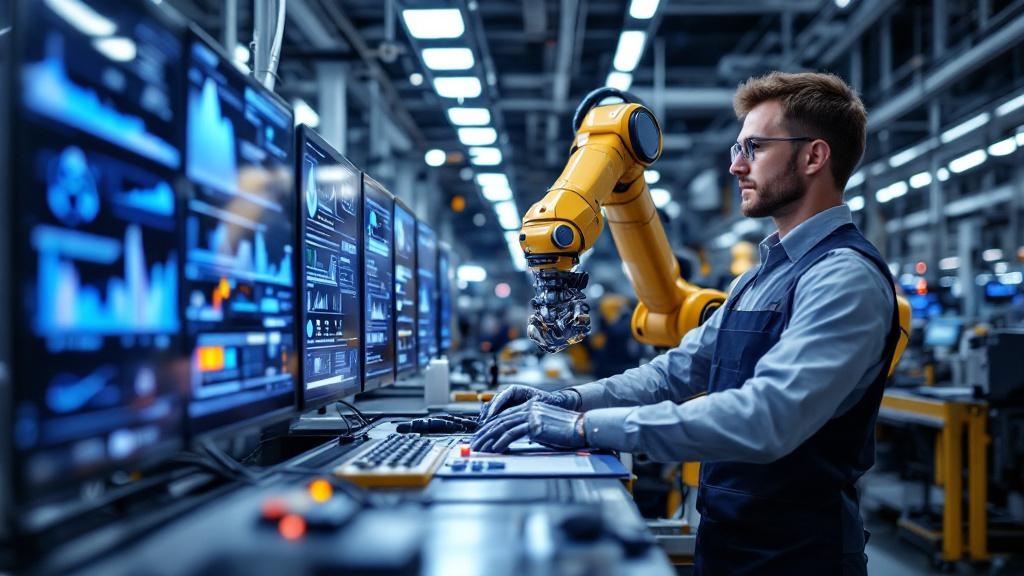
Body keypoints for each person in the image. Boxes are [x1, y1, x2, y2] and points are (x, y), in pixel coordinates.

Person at [471, 71, 900, 575]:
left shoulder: (843, 276)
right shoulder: (759, 275)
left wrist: (586, 428)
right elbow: (676, 371)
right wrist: (569, 399)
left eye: (754, 148)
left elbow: (766, 417)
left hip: (800, 556)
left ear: (813, 156)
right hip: (729, 540)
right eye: (737, 149)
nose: (736, 166)